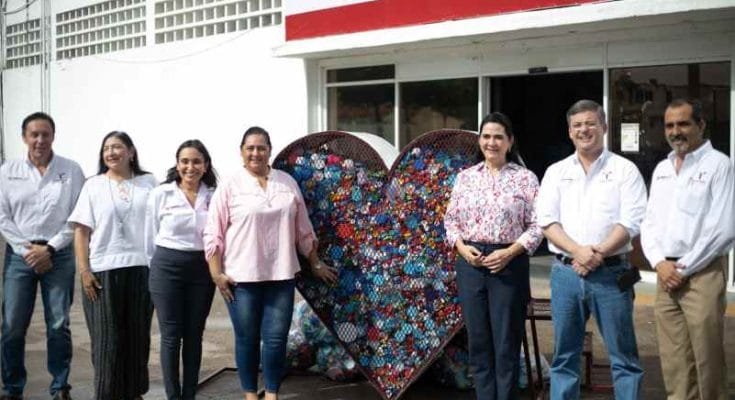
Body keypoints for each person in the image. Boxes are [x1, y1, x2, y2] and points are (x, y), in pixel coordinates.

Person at [203, 126, 337, 400]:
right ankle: (250, 394)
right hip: (241, 279)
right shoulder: (230, 186)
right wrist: (216, 274)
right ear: (241, 152)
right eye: (250, 148)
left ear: (269, 151)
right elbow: (213, 233)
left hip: (281, 275)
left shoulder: (286, 182)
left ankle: (272, 393)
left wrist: (315, 263)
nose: (256, 153)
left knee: (276, 340)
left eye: (261, 147)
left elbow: (303, 228)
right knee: (247, 339)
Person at [536, 99, 646, 400]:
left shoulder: (625, 170)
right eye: (577, 125)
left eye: (590, 123)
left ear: (604, 127)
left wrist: (597, 254)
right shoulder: (556, 171)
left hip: (611, 274)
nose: (584, 130)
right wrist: (578, 251)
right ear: (570, 132)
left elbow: (631, 220)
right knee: (564, 356)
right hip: (566, 275)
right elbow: (546, 220)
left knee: (623, 357)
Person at [444, 112, 542, 400]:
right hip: (471, 263)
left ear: (510, 142)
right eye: (486, 136)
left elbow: (538, 225)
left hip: (509, 263)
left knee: (506, 342)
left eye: (498, 137)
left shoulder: (525, 179)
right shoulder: (465, 178)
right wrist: (462, 248)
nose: (491, 142)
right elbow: (450, 221)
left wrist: (510, 252)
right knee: (479, 342)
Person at [640, 98, 734, 400]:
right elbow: (649, 223)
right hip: (665, 274)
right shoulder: (662, 169)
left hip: (702, 274)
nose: (675, 131)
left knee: (708, 359)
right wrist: (659, 263)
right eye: (669, 125)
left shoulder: (718, 165)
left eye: (683, 123)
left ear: (701, 125)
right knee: (674, 362)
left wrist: (683, 269)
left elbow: (723, 228)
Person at [0, 112, 84, 400]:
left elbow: (77, 216)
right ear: (24, 137)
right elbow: (2, 216)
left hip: (58, 256)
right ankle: (12, 388)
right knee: (12, 325)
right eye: (34, 134)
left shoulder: (70, 170)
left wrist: (49, 249)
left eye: (45, 134)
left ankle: (60, 386)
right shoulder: (7, 171)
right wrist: (27, 250)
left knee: (58, 324)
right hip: (19, 257)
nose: (40, 140)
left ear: (53, 136)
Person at [68, 131, 157, 400]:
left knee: (138, 337)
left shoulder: (148, 182)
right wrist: (84, 270)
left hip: (142, 268)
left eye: (117, 147)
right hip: (102, 271)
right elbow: (81, 231)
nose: (111, 153)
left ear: (131, 152)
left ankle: (135, 393)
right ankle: (107, 394)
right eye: (106, 148)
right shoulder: (93, 185)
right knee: (107, 340)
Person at [144, 140, 217, 400]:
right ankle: (173, 396)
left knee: (194, 334)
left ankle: (189, 395)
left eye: (196, 161)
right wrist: (155, 270)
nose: (190, 167)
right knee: (171, 335)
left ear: (205, 166)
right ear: (177, 165)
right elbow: (149, 237)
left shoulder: (214, 196)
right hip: (167, 267)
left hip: (202, 269)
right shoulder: (161, 194)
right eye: (184, 161)